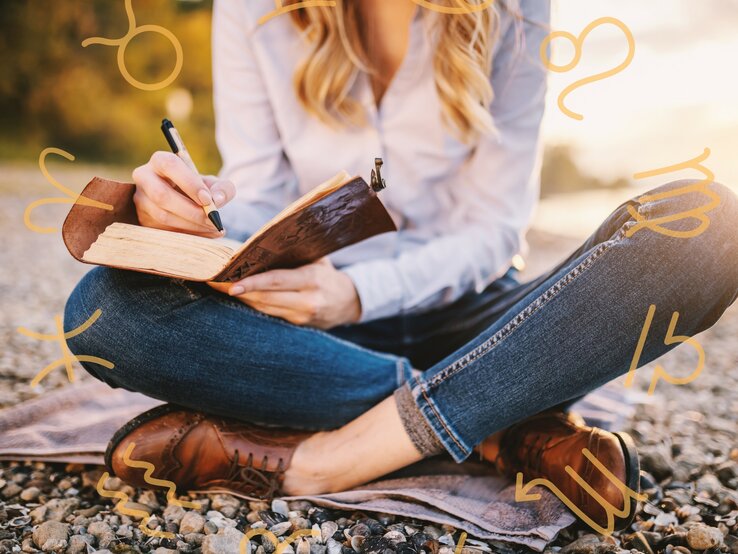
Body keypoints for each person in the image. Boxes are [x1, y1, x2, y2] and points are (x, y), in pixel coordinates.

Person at [64, 0, 738, 532]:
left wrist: (356, 294)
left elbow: (493, 230)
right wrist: (186, 214)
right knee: (108, 311)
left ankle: (329, 458)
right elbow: (261, 199)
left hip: (479, 320)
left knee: (710, 226)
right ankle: (504, 424)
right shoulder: (254, 7)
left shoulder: (514, 7)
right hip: (309, 336)